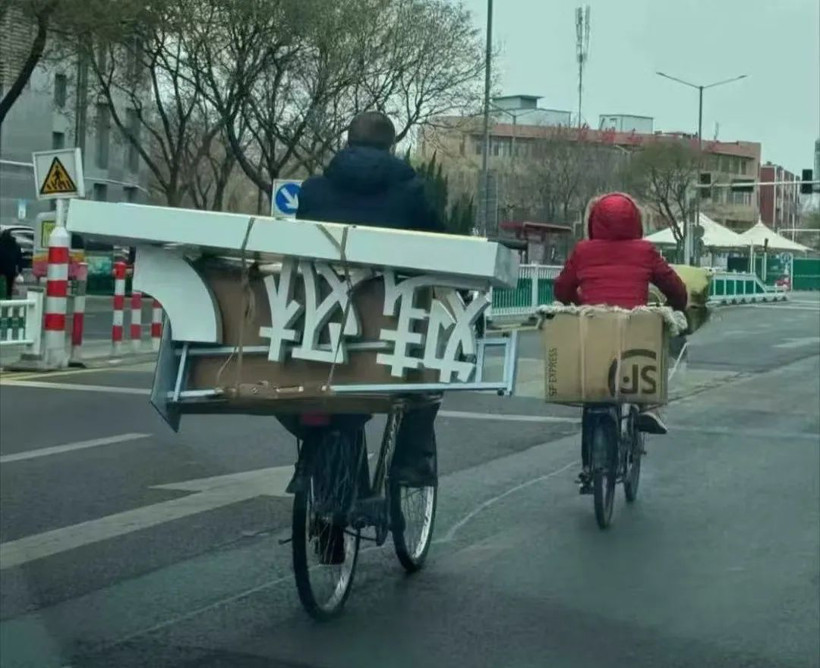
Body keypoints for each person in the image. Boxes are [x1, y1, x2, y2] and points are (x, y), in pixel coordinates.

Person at [293, 111, 443, 489]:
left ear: (346, 142)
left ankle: (314, 456)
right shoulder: (412, 191)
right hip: (391, 317)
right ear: (391, 147)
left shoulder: (312, 190)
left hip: (322, 319)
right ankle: (412, 462)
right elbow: (441, 246)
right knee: (427, 380)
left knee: (311, 392)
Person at [553, 192, 688, 491]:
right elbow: (675, 287)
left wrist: (579, 304)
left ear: (594, 221)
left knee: (594, 396)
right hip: (634, 331)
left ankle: (590, 468)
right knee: (649, 350)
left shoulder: (583, 251)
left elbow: (561, 289)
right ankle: (648, 407)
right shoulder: (645, 251)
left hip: (595, 329)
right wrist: (675, 305)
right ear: (636, 221)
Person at [0, 230, 24, 299]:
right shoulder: (16, 245)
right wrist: (19, 269)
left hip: (1, 269)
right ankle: (8, 299)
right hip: (11, 270)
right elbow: (19, 258)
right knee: (9, 287)